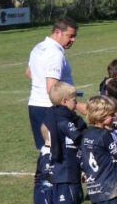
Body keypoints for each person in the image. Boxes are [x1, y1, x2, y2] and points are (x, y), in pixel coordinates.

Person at [48, 81, 90, 204]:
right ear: (65, 101)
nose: (77, 103)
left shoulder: (55, 114)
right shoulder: (65, 120)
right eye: (74, 99)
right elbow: (80, 137)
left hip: (61, 170)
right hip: (67, 170)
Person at [26, 18, 78, 150]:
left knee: (46, 150)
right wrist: (75, 105)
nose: (73, 40)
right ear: (57, 32)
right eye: (70, 36)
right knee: (60, 153)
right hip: (51, 108)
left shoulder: (38, 47)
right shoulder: (55, 53)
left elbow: (28, 72)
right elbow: (52, 88)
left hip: (36, 105)